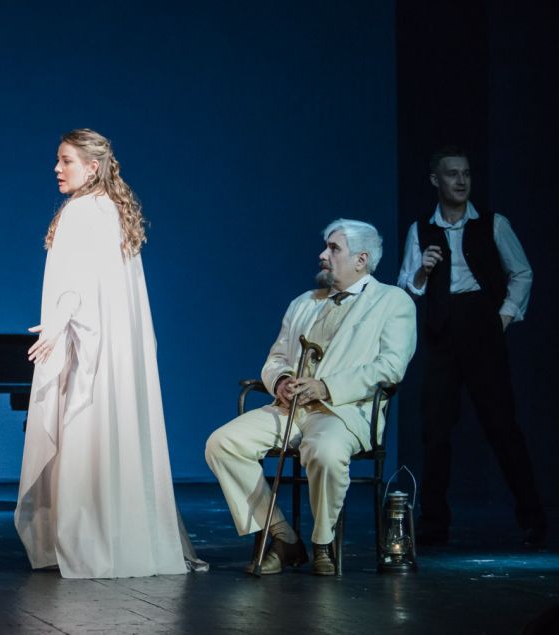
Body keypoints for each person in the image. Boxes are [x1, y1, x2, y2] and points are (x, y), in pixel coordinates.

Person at [15, 128, 205, 579]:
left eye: (66, 160)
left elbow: (77, 283)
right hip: (111, 346)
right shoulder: (113, 211)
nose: (57, 168)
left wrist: (59, 321)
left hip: (90, 347)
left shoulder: (83, 211)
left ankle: (90, 542)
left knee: (87, 433)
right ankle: (123, 538)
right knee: (110, 432)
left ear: (93, 166)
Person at [205, 219, 416, 576]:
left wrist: (327, 387)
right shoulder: (304, 302)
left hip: (343, 411)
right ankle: (283, 536)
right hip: (291, 409)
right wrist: (281, 381)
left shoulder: (392, 301)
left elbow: (390, 367)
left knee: (325, 451)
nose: (322, 255)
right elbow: (276, 358)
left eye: (334, 249)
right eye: (326, 247)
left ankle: (323, 541)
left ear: (361, 259)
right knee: (222, 443)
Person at [398, 146, 546, 546]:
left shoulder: (493, 224)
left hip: (483, 329)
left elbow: (522, 272)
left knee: (502, 426)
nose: (461, 181)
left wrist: (504, 317)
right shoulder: (420, 230)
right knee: (435, 431)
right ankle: (434, 523)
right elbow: (406, 290)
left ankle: (533, 518)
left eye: (465, 173)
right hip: (442, 334)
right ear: (435, 180)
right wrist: (423, 270)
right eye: (452, 174)